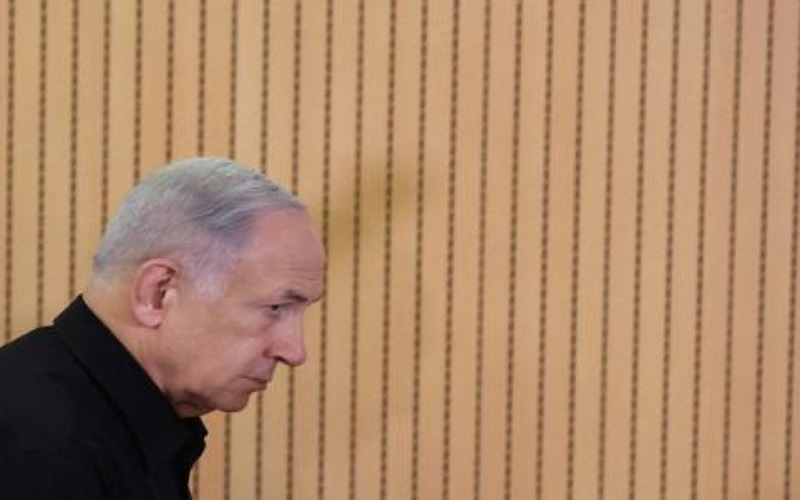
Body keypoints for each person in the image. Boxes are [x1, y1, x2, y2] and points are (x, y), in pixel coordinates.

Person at [0, 157, 326, 499]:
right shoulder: (42, 449)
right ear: (157, 293)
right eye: (275, 308)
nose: (295, 351)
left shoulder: (90, 424)